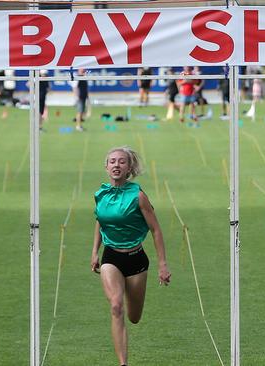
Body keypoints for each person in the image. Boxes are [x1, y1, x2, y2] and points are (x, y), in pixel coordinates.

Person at [91, 146, 171, 366]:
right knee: (116, 305)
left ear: (129, 168)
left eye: (122, 162)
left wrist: (163, 265)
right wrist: (94, 252)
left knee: (133, 317)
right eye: (112, 161)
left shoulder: (139, 196)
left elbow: (156, 230)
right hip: (111, 258)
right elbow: (100, 220)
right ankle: (123, 363)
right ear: (106, 167)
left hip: (136, 259)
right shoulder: (101, 194)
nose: (116, 165)